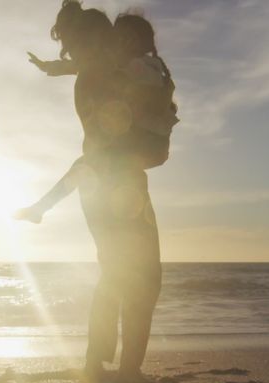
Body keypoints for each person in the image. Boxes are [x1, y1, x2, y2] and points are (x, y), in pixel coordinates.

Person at [22, 1, 165, 383]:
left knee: (115, 275)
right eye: (110, 40)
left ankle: (95, 366)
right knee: (142, 278)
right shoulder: (105, 76)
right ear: (99, 43)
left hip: (98, 188)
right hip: (120, 186)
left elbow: (87, 157)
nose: (118, 46)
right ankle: (128, 374)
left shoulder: (89, 76)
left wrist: (44, 204)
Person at [16, 12, 177, 224]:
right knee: (84, 165)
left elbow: (95, 69)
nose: (120, 42)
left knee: (86, 165)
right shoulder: (132, 64)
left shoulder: (143, 65)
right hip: (136, 146)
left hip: (142, 142)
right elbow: (81, 66)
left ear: (141, 42)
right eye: (118, 37)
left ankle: (41, 208)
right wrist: (48, 66)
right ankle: (40, 208)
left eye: (127, 37)